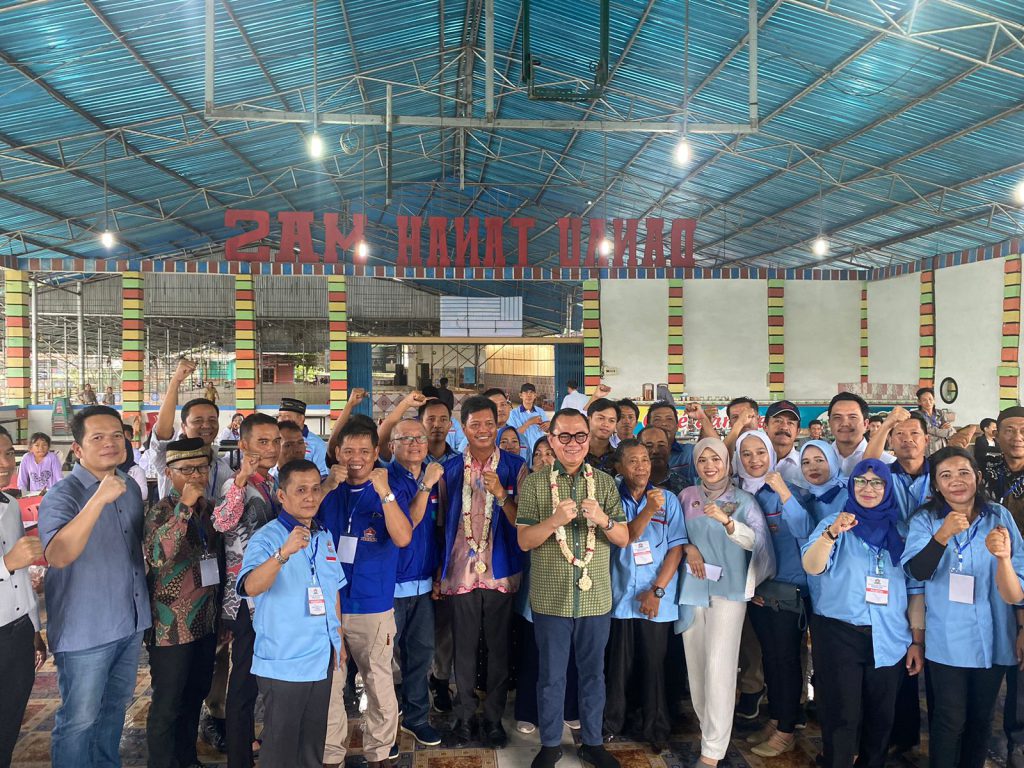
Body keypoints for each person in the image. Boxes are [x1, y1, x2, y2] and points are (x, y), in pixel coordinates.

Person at [39, 405, 152, 768]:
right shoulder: (63, 495)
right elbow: (57, 555)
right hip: (85, 631)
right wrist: (98, 498)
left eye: (117, 435)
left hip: (129, 623)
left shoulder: (129, 487)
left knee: (114, 710)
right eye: (98, 437)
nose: (110, 443)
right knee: (79, 720)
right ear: (78, 448)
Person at [517, 407, 628, 768]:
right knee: (551, 677)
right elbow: (524, 541)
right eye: (563, 436)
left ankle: (592, 742)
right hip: (551, 599)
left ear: (588, 438)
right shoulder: (535, 484)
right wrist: (554, 520)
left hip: (595, 599)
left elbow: (623, 537)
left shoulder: (605, 483)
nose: (572, 443)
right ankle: (550, 744)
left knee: (593, 674)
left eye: (579, 435)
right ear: (551, 440)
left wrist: (603, 519)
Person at [903, 447, 1024, 768]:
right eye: (945, 475)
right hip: (948, 640)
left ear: (978, 477)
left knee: (981, 719)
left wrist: (1022, 627)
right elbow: (917, 572)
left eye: (963, 473)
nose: (956, 481)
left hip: (995, 636)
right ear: (936, 485)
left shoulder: (999, 517)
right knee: (949, 719)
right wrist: (942, 536)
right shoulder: (925, 520)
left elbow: (1019, 582)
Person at [801, 459, 924, 768]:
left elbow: (914, 589)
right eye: (861, 481)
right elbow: (812, 566)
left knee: (881, 718)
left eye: (877, 482)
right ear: (852, 485)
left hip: (890, 636)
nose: (869, 488)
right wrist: (831, 534)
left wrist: (916, 641)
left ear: (887, 488)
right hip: (839, 632)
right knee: (841, 716)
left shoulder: (901, 530)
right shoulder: (836, 522)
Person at [237, 459, 346, 768]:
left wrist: (338, 640)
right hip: (284, 662)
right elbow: (251, 586)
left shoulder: (323, 535)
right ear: (282, 495)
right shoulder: (267, 538)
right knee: (281, 750)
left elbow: (333, 589)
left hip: (320, 657)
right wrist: (283, 553)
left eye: (315, 489)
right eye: (300, 490)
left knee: (312, 745)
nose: (310, 497)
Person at [319, 419, 413, 768]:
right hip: (328, 605)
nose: (355, 458)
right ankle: (332, 755)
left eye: (363, 451)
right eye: (348, 451)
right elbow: (300, 519)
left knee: (378, 683)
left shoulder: (390, 488)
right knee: (330, 685)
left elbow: (402, 537)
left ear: (376, 453)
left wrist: (385, 492)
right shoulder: (327, 487)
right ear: (337, 452)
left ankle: (379, 754)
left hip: (373, 606)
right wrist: (327, 486)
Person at [676, 437, 774, 768]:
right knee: (697, 668)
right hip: (693, 589)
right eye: (702, 460)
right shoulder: (687, 496)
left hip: (728, 592)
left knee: (720, 667)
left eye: (715, 459)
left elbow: (758, 542)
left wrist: (729, 522)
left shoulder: (743, 500)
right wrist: (688, 548)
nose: (709, 466)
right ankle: (710, 732)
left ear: (727, 463)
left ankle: (712, 751)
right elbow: (676, 534)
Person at [438, 395, 527, 749]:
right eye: (475, 424)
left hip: (500, 571)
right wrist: (439, 570)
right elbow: (442, 523)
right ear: (463, 428)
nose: (483, 430)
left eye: (489, 423)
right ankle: (463, 718)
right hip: (461, 571)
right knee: (462, 648)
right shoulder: (449, 469)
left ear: (498, 425)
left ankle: (492, 720)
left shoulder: (515, 467)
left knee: (498, 648)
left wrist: (501, 494)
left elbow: (523, 522)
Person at [733, 431, 813, 757]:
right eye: (746, 454)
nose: (754, 460)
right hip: (758, 590)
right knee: (771, 659)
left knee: (786, 660)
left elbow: (804, 531)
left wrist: (783, 491)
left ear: (771, 455)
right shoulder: (738, 495)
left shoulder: (788, 490)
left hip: (787, 590)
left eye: (760, 453)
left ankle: (786, 729)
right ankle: (777, 719)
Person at [143, 438, 221, 768]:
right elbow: (158, 555)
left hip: (204, 621)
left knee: (194, 697)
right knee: (167, 704)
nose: (196, 476)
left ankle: (187, 759)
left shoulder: (210, 510)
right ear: (168, 473)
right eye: (186, 470)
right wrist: (184, 508)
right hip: (170, 628)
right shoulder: (160, 511)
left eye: (201, 468)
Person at [604, 439, 686, 754]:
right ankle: (612, 724)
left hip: (657, 599)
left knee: (655, 665)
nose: (641, 467)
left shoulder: (669, 499)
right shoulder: (610, 497)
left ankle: (656, 728)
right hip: (620, 596)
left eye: (645, 460)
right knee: (618, 665)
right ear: (619, 467)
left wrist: (657, 591)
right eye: (633, 461)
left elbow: (676, 548)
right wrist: (649, 510)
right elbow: (625, 538)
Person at [212, 413, 281, 768]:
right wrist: (239, 480)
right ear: (244, 445)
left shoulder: (270, 482)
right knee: (243, 681)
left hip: (268, 593)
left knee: (259, 677)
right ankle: (239, 758)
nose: (271, 448)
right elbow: (222, 522)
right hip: (245, 600)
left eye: (276, 441)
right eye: (262, 442)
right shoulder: (235, 484)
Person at [513, 436, 580, 736]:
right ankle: (528, 710)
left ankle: (570, 707)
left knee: (570, 652)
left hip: (570, 585)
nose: (543, 459)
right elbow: (523, 539)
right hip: (536, 586)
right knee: (534, 650)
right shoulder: (530, 491)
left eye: (549, 453)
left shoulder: (576, 490)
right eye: (537, 454)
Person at [387, 419, 445, 746]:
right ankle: (383, 729)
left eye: (419, 438)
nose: (414, 443)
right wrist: (425, 485)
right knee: (383, 662)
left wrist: (439, 573)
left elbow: (440, 529)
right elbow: (406, 523)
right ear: (391, 445)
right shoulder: (384, 479)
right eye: (405, 438)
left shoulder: (436, 476)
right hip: (391, 586)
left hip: (423, 585)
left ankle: (416, 718)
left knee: (421, 656)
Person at [0, 425, 46, 768]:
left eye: (8, 454)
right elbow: (12, 565)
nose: (5, 464)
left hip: (17, 633)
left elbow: (21, 578)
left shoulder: (11, 506)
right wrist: (6, 563)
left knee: (8, 723)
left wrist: (34, 628)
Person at [151, 359, 233, 500]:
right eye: (198, 421)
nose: (206, 425)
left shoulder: (221, 466)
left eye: (212, 420)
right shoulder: (169, 456)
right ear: (184, 426)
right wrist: (176, 382)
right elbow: (163, 432)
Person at [828, 392, 895, 477]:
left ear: (865, 424)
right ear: (829, 423)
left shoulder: (888, 462)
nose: (844, 423)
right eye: (837, 417)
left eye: (852, 417)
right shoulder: (818, 459)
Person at [797, 440, 849, 524]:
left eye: (819, 460)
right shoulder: (804, 498)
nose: (812, 468)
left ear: (832, 462)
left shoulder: (849, 498)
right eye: (806, 462)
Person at [279, 398, 329, 476]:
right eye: (280, 416)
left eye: (286, 416)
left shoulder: (317, 444)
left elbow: (323, 474)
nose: (281, 419)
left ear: (301, 419)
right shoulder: (274, 439)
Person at [638, 426, 691, 495]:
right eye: (649, 446)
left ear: (669, 448)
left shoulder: (683, 485)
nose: (655, 451)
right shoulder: (628, 485)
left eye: (661, 445)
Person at [765, 400, 804, 488]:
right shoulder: (752, 462)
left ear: (798, 431)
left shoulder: (806, 466)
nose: (784, 427)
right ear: (765, 426)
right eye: (778, 421)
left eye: (790, 423)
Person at [912, 387, 956, 455]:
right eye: (924, 400)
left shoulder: (941, 413)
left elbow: (951, 431)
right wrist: (941, 430)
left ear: (934, 400)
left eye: (930, 399)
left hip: (942, 448)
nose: (928, 402)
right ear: (919, 402)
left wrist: (930, 432)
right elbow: (923, 430)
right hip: (925, 450)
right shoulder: (916, 415)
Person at [508, 382, 549, 452]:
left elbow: (547, 430)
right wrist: (529, 423)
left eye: (531, 392)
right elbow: (513, 435)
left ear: (535, 395)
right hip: (521, 450)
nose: (529, 395)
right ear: (520, 395)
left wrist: (549, 425)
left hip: (537, 449)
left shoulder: (540, 411)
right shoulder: (513, 414)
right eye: (526, 392)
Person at [586, 398, 619, 475]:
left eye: (611, 421)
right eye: (601, 418)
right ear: (588, 420)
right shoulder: (576, 453)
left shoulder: (618, 457)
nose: (606, 424)